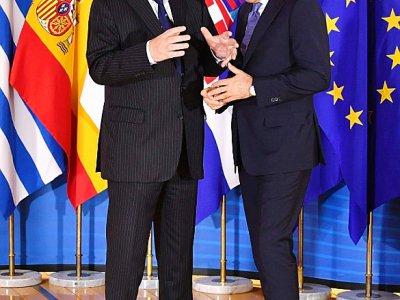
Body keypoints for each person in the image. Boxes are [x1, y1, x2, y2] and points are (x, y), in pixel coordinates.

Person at [86, 0, 238, 298]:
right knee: (126, 262)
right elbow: (100, 67)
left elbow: (200, 60)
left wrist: (217, 54)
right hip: (134, 151)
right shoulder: (108, 4)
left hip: (184, 147)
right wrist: (148, 53)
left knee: (178, 265)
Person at [202, 0, 331, 299]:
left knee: (272, 244)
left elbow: (317, 75)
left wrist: (251, 88)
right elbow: (248, 76)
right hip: (251, 148)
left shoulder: (300, 7)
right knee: (263, 246)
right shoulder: (248, 11)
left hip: (287, 147)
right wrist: (225, 94)